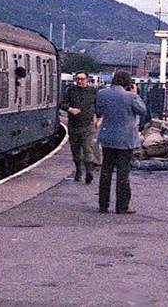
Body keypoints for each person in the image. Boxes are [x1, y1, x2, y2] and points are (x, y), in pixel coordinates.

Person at [96, 71, 147, 214]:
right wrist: (136, 93)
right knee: (123, 174)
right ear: (128, 82)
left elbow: (99, 110)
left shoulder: (102, 93)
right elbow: (143, 111)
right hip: (125, 140)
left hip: (107, 138)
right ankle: (122, 206)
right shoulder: (131, 96)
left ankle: (103, 205)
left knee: (106, 171)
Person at [59, 71, 98, 184]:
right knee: (75, 149)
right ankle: (78, 170)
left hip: (88, 124)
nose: (80, 81)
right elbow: (62, 104)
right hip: (74, 124)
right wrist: (70, 109)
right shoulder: (70, 90)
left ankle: (89, 172)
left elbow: (98, 105)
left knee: (87, 148)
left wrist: (99, 118)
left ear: (87, 80)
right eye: (78, 79)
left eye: (82, 79)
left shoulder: (93, 91)